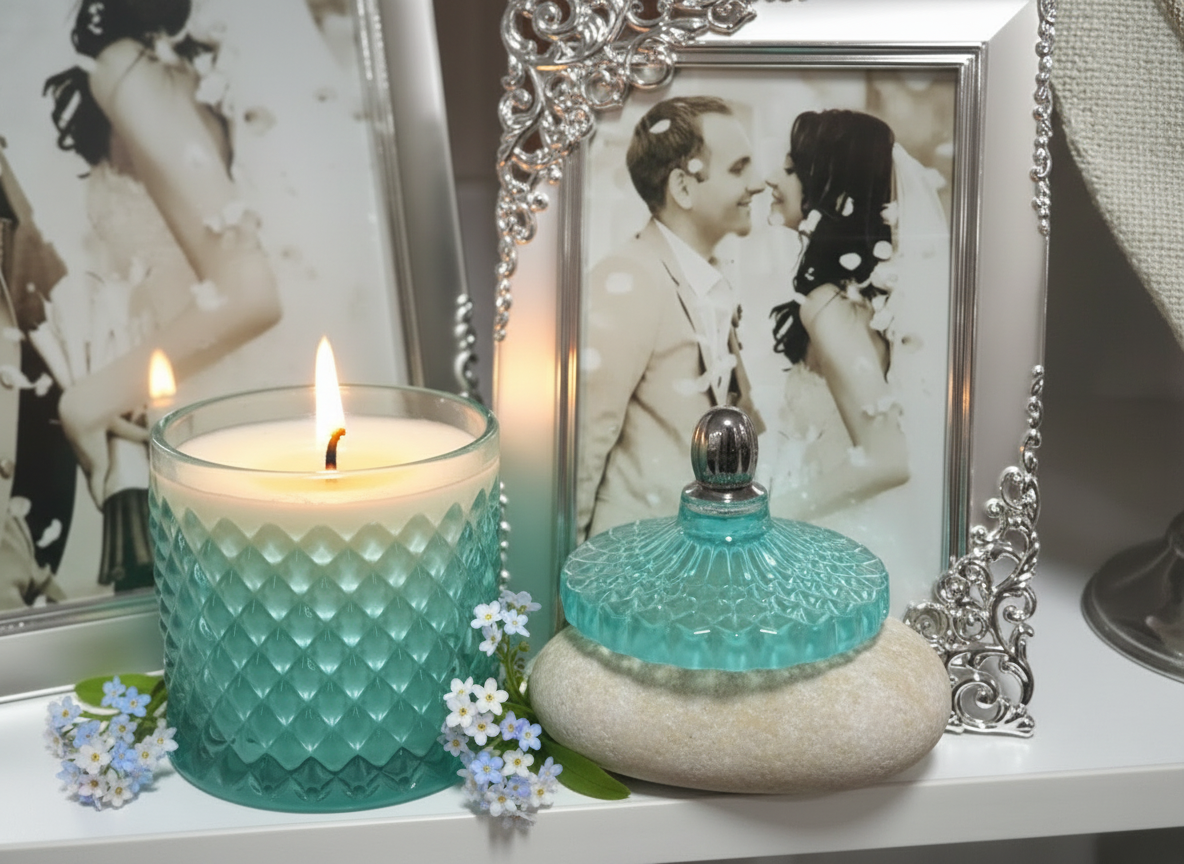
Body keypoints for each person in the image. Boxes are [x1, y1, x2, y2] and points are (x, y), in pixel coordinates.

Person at [41, 0, 281, 591]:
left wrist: (84, 402)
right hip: (180, 408)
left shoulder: (131, 67)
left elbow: (250, 294)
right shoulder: (191, 62)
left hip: (185, 418)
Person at [577, 96, 765, 541]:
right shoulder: (628, 278)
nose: (757, 184)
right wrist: (570, 580)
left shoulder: (707, 276)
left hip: (696, 551)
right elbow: (585, 442)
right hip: (635, 555)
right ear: (682, 188)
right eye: (738, 169)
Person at [763, 108, 948, 524]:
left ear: (832, 190)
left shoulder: (830, 307)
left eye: (791, 170)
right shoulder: (858, 300)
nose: (771, 180)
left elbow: (888, 460)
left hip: (824, 527)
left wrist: (770, 520)